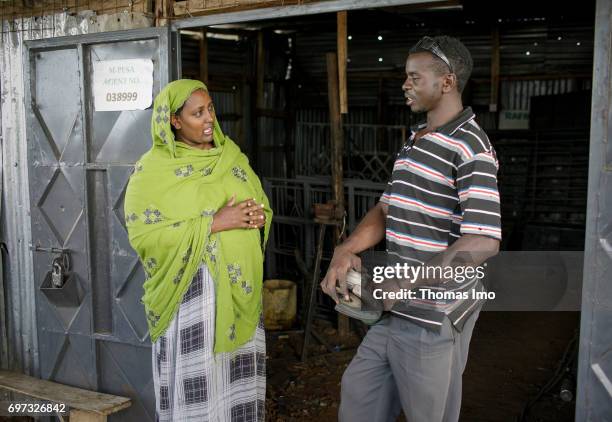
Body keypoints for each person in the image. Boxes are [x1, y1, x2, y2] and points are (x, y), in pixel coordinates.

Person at [321, 36, 501, 422]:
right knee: (358, 398)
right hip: (394, 311)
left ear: (447, 82)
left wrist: (406, 284)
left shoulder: (471, 147)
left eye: (414, 77)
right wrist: (346, 248)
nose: (405, 85)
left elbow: (483, 240)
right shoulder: (416, 140)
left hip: (433, 316)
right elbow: (387, 208)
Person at [124, 79, 272, 422]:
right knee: (201, 384)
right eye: (197, 113)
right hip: (193, 297)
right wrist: (215, 222)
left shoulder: (230, 155)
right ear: (174, 121)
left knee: (237, 384)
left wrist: (258, 214)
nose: (209, 119)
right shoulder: (153, 171)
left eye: (210, 109)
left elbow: (260, 203)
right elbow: (144, 234)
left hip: (239, 292)